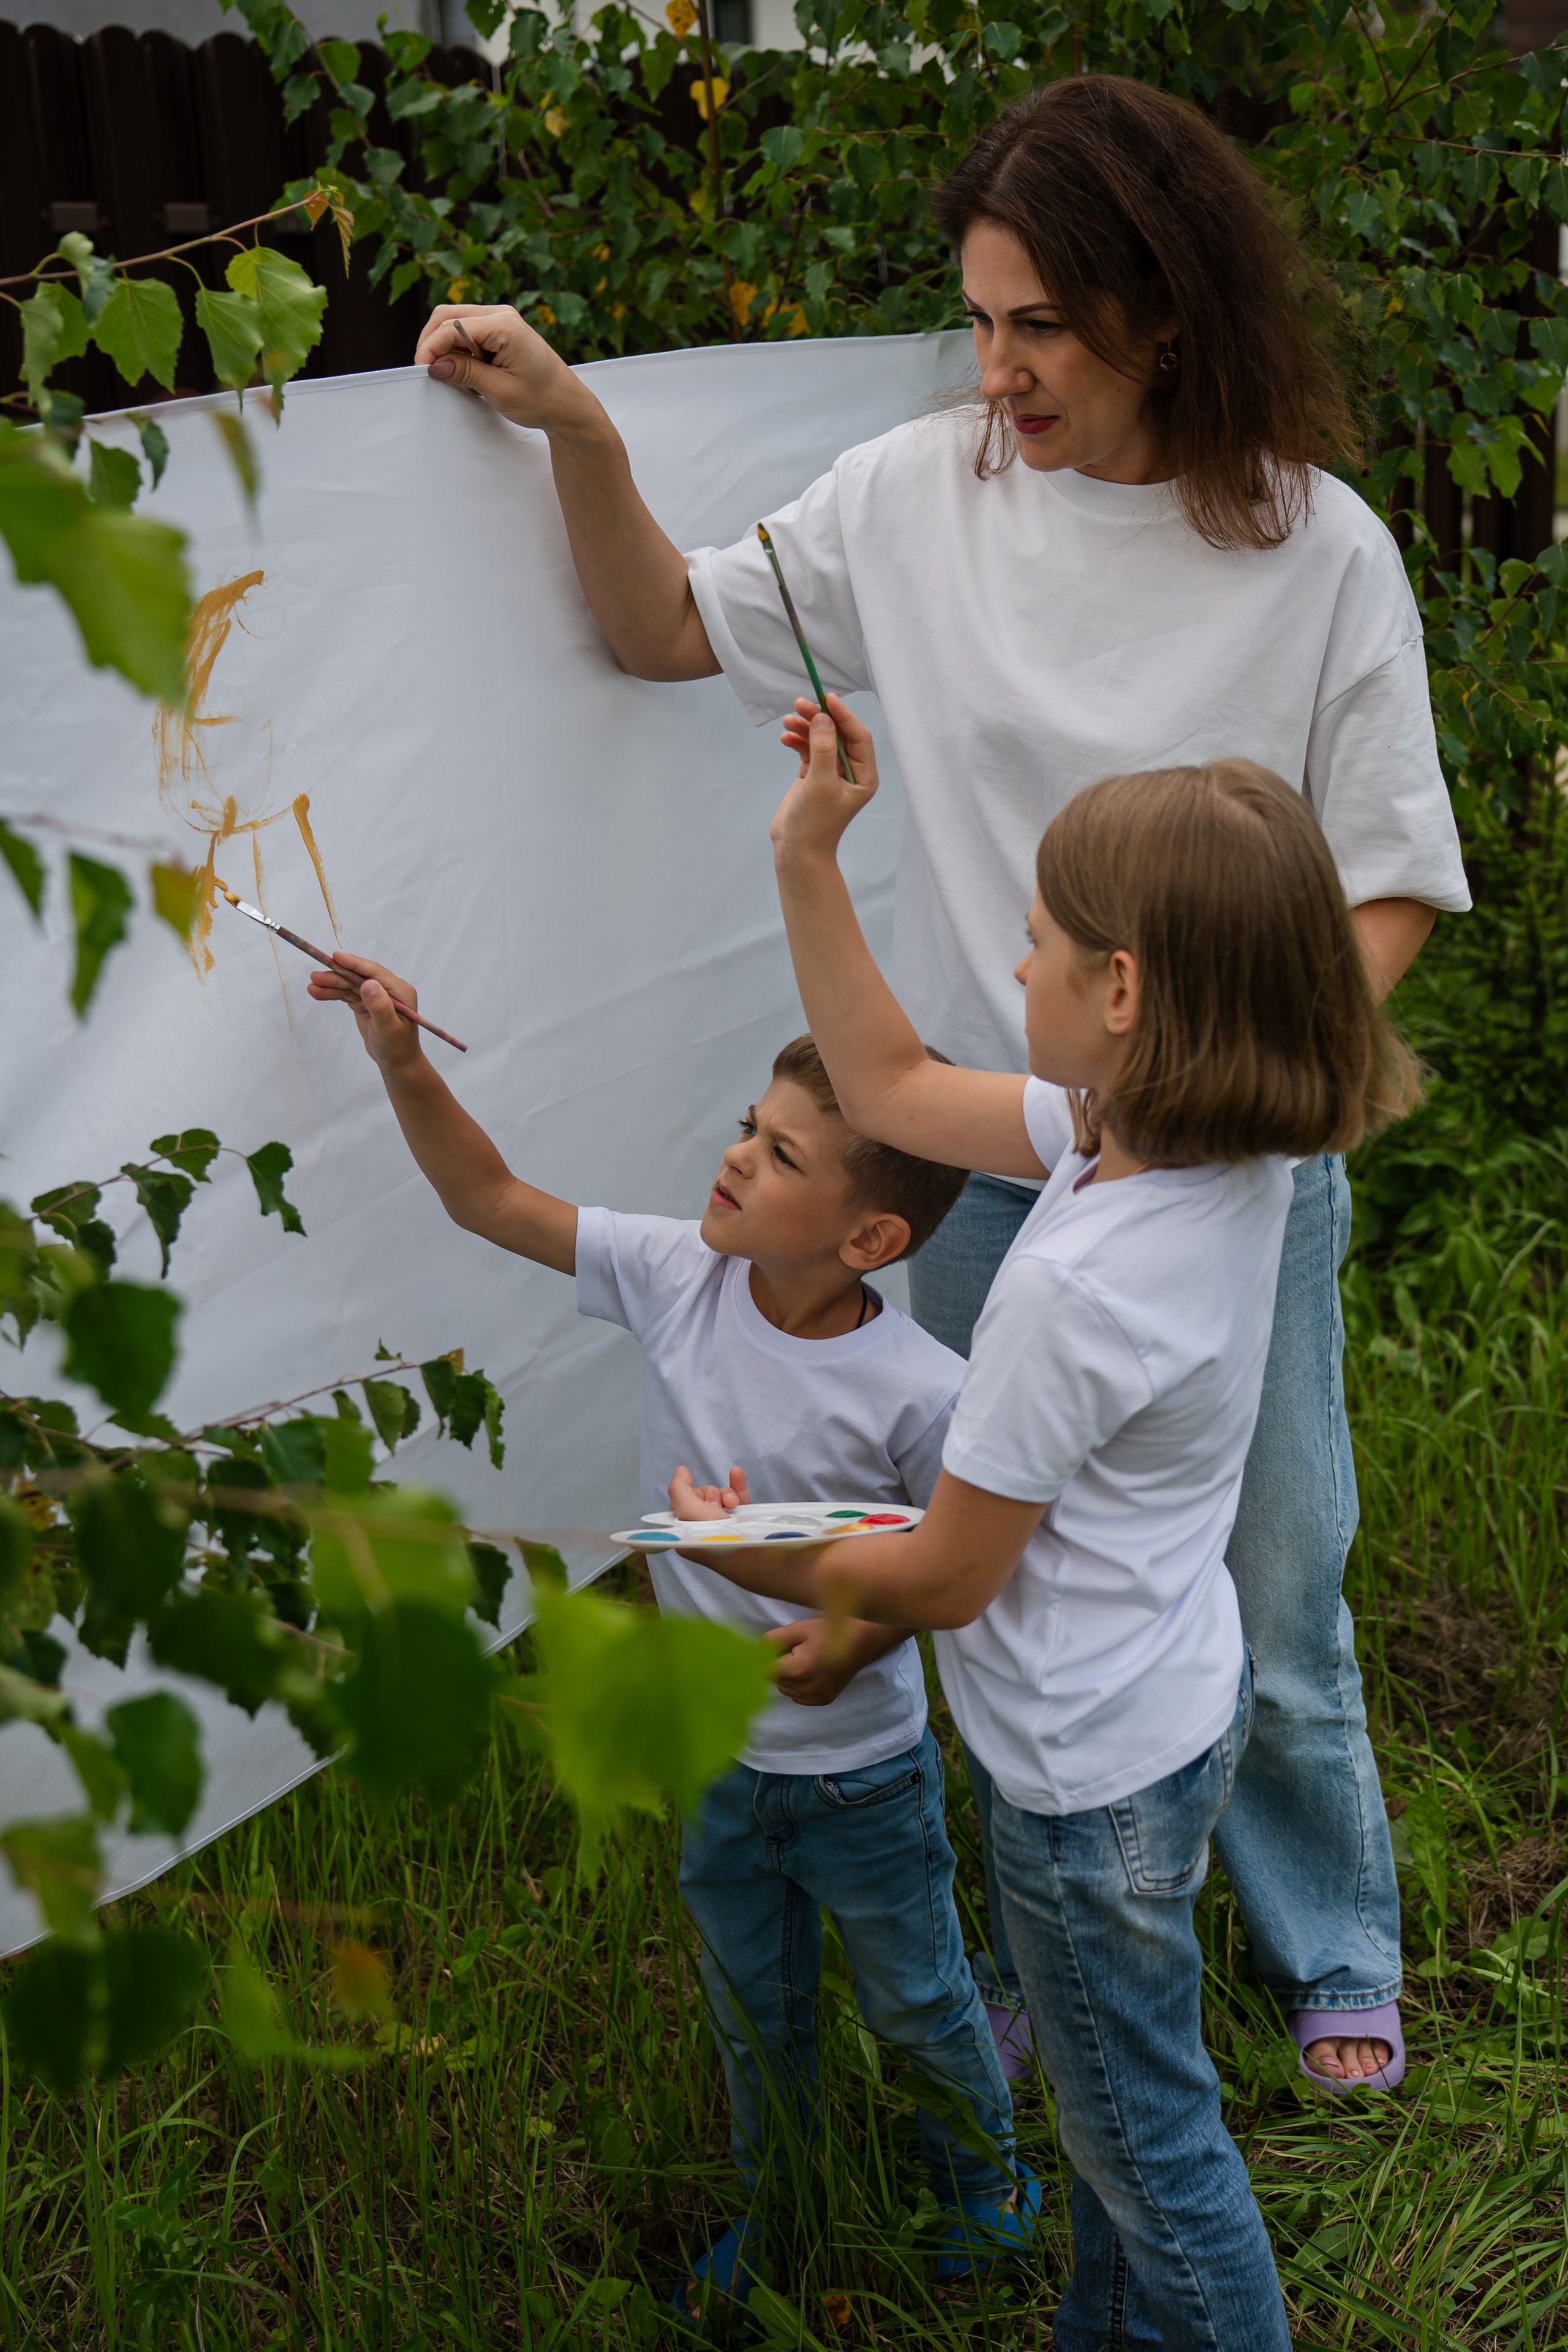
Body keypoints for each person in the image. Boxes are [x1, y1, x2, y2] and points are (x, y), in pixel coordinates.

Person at [412, 71, 1469, 2091]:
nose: (999, 371)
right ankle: (1052, 1947)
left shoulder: (1317, 550)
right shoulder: (915, 498)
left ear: (1161, 308)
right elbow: (654, 632)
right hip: (994, 1156)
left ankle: (1335, 1940)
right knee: (993, 1589)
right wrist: (584, 429)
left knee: (1273, 1574)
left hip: (1232, 1165)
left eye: (1041, 327)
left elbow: (1393, 881)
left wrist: (1249, 1095)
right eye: (979, 323)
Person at [680, 701, 1417, 2349]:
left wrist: (745, 1548)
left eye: (1034, 944)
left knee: (1150, 2151)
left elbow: (943, 1574)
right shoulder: (1184, 1152)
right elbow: (883, 1076)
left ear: (1125, 992)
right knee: (1109, 2129)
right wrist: (810, 853)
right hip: (1168, 1707)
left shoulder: (1077, 1282)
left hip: (1084, 1790)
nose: (1015, 973)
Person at [305, 960, 1030, 2307]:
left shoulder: (923, 1393)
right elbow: (490, 1199)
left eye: (779, 1152)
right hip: (710, 1758)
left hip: (860, 1773)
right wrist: (401, 1058)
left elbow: (947, 1576)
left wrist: (851, 1650)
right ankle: (784, 2206)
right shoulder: (675, 1275)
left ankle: (981, 2189)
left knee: (915, 1998)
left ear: (868, 1238)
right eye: (745, 1126)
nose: (736, 1156)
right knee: (754, 2015)